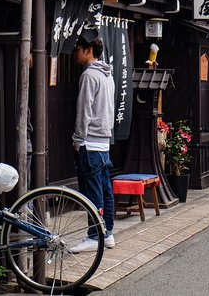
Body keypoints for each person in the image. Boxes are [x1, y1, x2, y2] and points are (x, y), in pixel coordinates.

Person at [70, 30, 116, 253]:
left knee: (92, 191)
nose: (75, 54)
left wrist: (78, 139)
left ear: (88, 51)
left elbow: (84, 110)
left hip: (90, 142)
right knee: (105, 189)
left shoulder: (89, 75)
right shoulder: (107, 74)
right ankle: (107, 232)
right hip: (104, 141)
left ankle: (94, 235)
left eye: (78, 50)